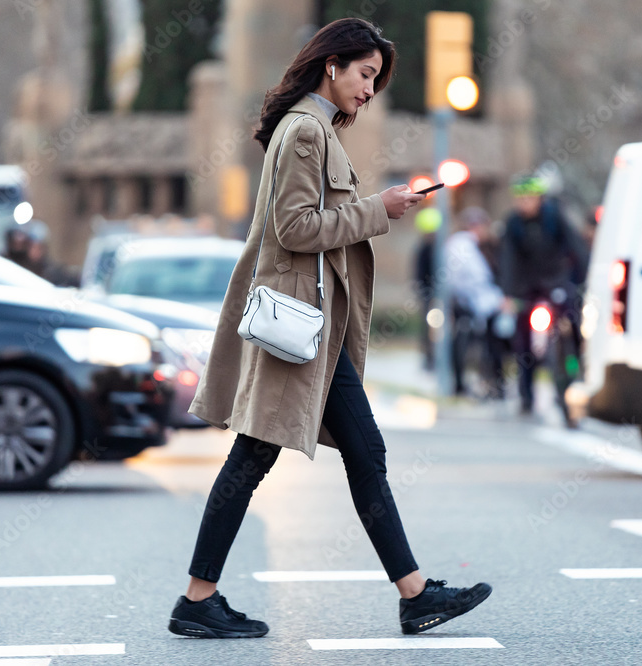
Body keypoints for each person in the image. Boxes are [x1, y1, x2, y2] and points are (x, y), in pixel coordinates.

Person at [171, 18, 492, 639]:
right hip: (298, 328)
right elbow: (294, 229)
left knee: (361, 453)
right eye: (365, 74)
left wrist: (380, 207)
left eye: (376, 79)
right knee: (255, 454)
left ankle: (415, 593)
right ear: (332, 66)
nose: (370, 89)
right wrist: (380, 211)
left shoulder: (313, 130)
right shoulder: (305, 133)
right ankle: (196, 599)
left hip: (316, 331)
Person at [499, 174, 588, 414]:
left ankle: (573, 366)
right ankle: (526, 396)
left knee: (570, 321)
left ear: (539, 198)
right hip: (525, 287)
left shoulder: (555, 217)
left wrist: (584, 279)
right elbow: (507, 259)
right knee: (523, 341)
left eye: (529, 198)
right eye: (520, 199)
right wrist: (508, 293)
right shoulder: (513, 224)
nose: (524, 203)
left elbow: (576, 247)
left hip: (555, 281)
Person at [447, 207, 508, 398]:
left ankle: (489, 384)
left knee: (483, 344)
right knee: (477, 345)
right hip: (472, 304)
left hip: (476, 303)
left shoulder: (473, 245)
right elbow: (475, 279)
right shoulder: (464, 245)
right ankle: (487, 385)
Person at [412, 206, 440, 370]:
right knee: (428, 328)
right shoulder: (424, 249)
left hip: (437, 295)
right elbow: (419, 274)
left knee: (434, 328)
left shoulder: (436, 248)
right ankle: (429, 358)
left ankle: (434, 357)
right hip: (429, 295)